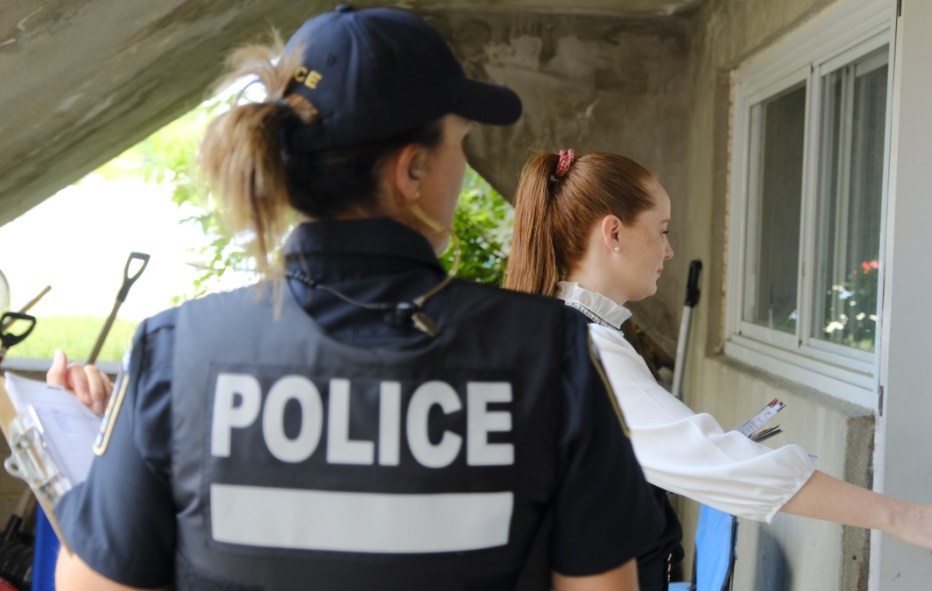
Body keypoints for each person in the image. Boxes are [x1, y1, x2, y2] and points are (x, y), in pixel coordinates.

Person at [48, 10, 665, 591]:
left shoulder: (176, 357)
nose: (463, 163)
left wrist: (116, 458)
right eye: (460, 143)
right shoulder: (549, 353)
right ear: (413, 170)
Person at [504, 149, 932, 590]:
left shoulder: (563, 329)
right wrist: (907, 517)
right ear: (613, 232)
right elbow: (725, 467)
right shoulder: (586, 347)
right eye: (661, 231)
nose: (669, 249)